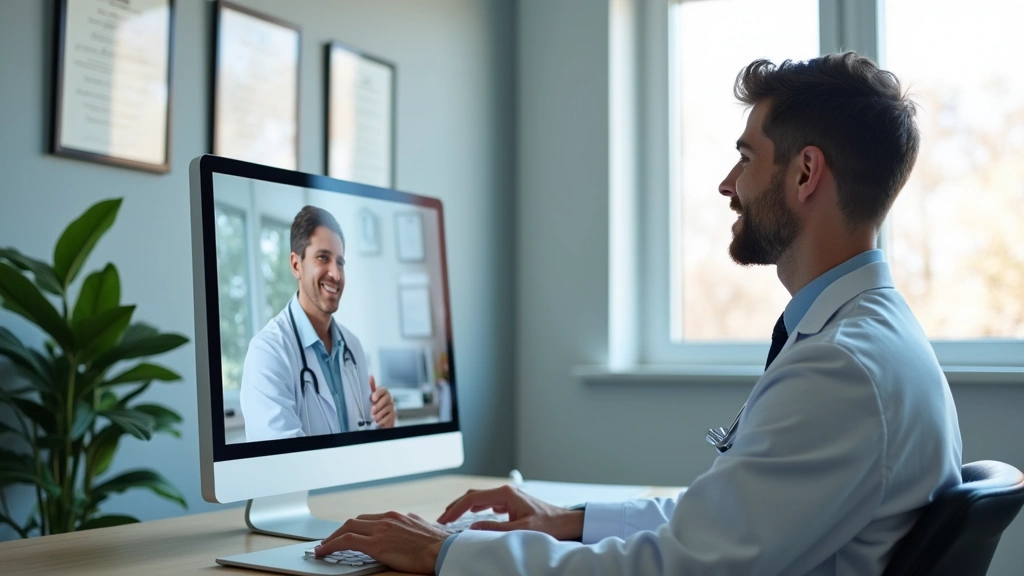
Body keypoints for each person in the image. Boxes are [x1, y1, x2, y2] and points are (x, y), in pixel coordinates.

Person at [313, 52, 963, 575]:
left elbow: (674, 566)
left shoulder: (842, 370)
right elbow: (729, 519)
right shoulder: (872, 340)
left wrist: (447, 551)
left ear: (805, 174)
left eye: (745, 156)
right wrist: (569, 518)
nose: (727, 185)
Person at [240, 206, 396, 441]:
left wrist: (385, 424)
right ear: (296, 265)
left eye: (340, 262)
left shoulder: (352, 347)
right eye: (323, 257)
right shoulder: (267, 353)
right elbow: (282, 461)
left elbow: (366, 439)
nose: (335, 273)